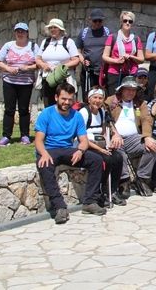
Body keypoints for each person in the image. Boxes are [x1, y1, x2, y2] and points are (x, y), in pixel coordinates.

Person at [34, 83, 106, 224]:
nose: (67, 102)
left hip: (68, 149)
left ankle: (90, 202)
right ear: (56, 97)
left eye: (70, 99)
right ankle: (59, 207)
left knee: (96, 160)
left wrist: (80, 150)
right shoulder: (46, 114)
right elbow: (38, 140)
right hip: (49, 149)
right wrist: (43, 153)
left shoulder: (77, 116)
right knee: (45, 166)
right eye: (63, 99)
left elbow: (83, 141)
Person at [108, 76, 156, 196]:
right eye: (128, 89)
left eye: (133, 89)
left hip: (133, 138)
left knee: (154, 145)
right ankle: (124, 181)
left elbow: (146, 120)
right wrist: (114, 133)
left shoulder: (139, 103)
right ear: (121, 90)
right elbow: (106, 119)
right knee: (118, 149)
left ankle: (141, 178)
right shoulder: (111, 101)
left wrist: (147, 136)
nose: (131, 92)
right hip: (116, 137)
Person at [77, 87, 127, 207]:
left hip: (100, 144)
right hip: (87, 146)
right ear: (89, 99)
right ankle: (102, 192)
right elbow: (81, 137)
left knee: (118, 158)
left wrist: (108, 144)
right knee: (106, 159)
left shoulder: (101, 112)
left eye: (100, 98)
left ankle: (113, 190)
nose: (97, 101)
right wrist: (101, 150)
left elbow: (104, 131)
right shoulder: (83, 113)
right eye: (95, 98)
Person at [0, 22, 39, 146]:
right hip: (9, 81)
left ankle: (24, 135)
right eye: (18, 31)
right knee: (9, 109)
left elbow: (39, 63)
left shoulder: (33, 46)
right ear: (15, 33)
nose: (20, 34)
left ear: (27, 33)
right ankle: (6, 136)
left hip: (26, 82)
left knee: (24, 109)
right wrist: (8, 69)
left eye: (22, 31)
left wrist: (28, 68)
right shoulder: (8, 45)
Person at [36, 18, 80, 108]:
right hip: (48, 79)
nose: (52, 29)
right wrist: (43, 65)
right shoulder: (46, 42)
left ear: (60, 29)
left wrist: (62, 67)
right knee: (48, 105)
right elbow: (38, 59)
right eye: (50, 28)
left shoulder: (68, 42)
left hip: (64, 79)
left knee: (64, 104)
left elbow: (76, 60)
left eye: (55, 27)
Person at [102, 11, 144, 96]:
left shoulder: (136, 39)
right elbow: (104, 56)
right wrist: (117, 61)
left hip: (131, 73)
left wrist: (131, 57)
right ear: (121, 22)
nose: (127, 23)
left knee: (129, 98)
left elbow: (141, 59)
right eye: (125, 21)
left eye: (130, 21)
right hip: (114, 73)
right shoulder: (112, 37)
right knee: (114, 98)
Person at [75, 9, 112, 99]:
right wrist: (83, 61)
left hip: (103, 72)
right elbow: (77, 51)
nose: (97, 23)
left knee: (103, 96)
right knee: (88, 96)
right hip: (88, 72)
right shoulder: (83, 33)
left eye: (100, 21)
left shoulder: (108, 33)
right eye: (95, 21)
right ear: (90, 20)